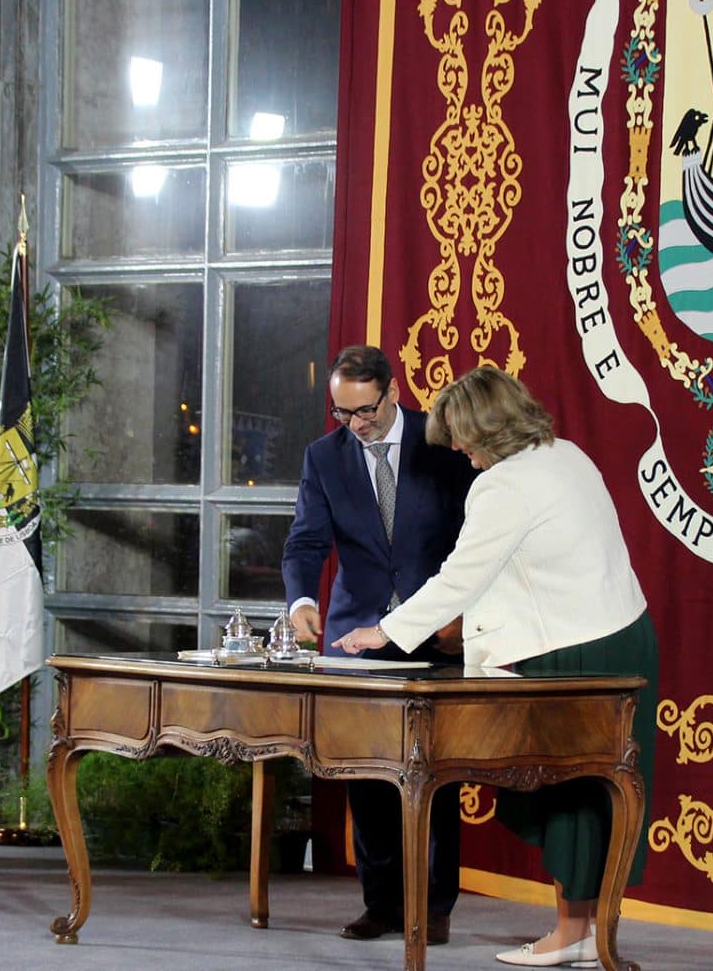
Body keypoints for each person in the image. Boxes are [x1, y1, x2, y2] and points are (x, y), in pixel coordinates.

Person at [335, 365, 658, 969]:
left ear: (488, 427)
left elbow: (460, 578)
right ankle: (589, 935)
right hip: (624, 640)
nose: (457, 448)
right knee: (596, 795)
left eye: (461, 435)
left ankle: (569, 937)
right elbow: (530, 568)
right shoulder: (566, 455)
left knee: (567, 796)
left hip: (577, 652)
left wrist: (383, 632)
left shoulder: (504, 485)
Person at [281, 344, 476, 946]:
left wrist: (463, 620)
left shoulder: (441, 441)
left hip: (433, 633)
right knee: (364, 777)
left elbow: (478, 536)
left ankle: (434, 906)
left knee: (434, 777)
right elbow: (304, 543)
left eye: (365, 411)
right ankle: (381, 904)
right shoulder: (324, 457)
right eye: (342, 414)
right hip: (354, 636)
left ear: (393, 391)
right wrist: (302, 602)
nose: (356, 425)